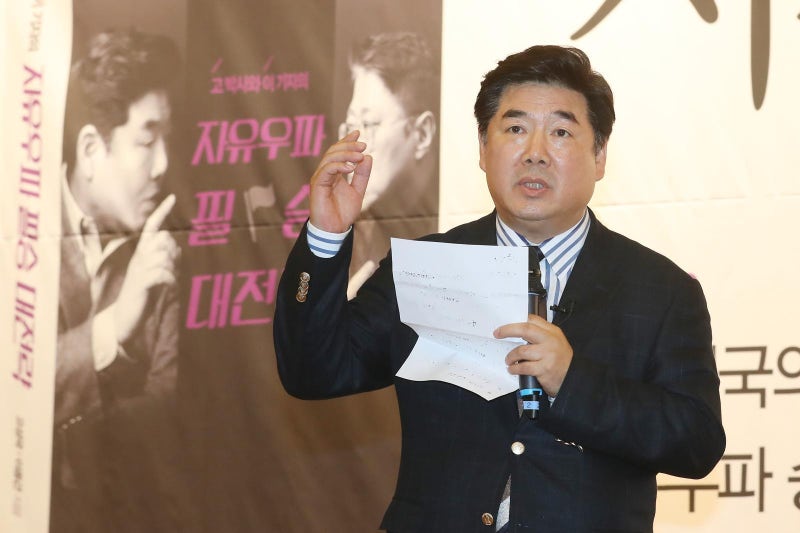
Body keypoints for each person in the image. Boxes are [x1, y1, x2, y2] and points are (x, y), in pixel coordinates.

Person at [274, 45, 725, 532]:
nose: (535, 152)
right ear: (483, 150)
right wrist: (326, 236)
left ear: (599, 156)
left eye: (560, 132)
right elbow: (313, 372)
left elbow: (696, 443)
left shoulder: (661, 291)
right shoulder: (427, 266)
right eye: (514, 129)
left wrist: (572, 380)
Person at [53, 28, 185, 533]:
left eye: (166, 139)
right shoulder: (17, 232)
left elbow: (167, 406)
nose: (164, 164)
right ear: (91, 150)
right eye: (147, 141)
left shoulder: (160, 247)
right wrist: (115, 325)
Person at [338, 32, 439, 296]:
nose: (354, 146)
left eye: (369, 124)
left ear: (422, 134)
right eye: (351, 125)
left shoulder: (455, 224)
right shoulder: (352, 231)